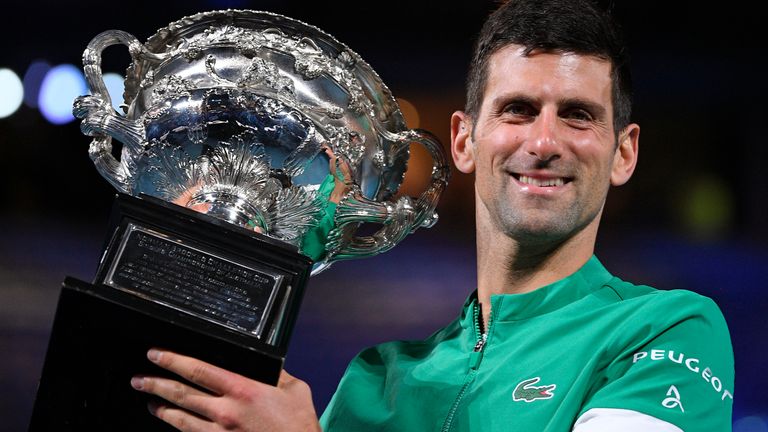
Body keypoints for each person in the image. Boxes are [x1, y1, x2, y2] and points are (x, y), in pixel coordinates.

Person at [129, 0, 735, 430]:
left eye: (577, 115)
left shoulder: (668, 331)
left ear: (623, 151)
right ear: (465, 141)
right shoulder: (375, 384)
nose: (545, 141)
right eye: (518, 109)